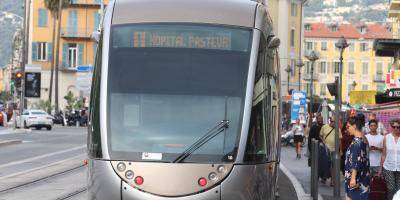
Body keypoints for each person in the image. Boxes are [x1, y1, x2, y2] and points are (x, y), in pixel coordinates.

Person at [344, 117, 370, 200]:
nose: (347, 129)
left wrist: (353, 178)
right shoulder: (363, 139)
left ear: (354, 126)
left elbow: (356, 160)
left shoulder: (357, 142)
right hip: (362, 176)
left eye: (348, 126)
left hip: (356, 177)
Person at [379, 118, 400, 200]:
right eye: (394, 126)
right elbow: (384, 154)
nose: (396, 129)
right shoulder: (386, 138)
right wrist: (380, 169)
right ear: (391, 127)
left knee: (398, 189)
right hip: (388, 167)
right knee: (391, 188)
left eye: (398, 127)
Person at [320, 116, 342, 186]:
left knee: (333, 165)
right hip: (326, 149)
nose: (333, 123)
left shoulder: (338, 129)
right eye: (332, 121)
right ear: (330, 121)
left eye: (335, 122)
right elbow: (320, 135)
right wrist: (323, 141)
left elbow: (340, 140)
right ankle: (324, 177)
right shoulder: (324, 127)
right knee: (326, 164)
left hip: (334, 150)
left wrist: (340, 150)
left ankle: (332, 181)